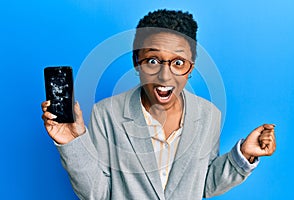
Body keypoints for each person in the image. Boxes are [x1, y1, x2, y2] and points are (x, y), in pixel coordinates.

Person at [41, 9, 276, 200]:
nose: (165, 76)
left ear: (190, 67)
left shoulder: (208, 115)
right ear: (137, 63)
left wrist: (244, 154)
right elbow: (98, 194)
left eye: (178, 62)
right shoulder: (107, 113)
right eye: (152, 60)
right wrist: (72, 142)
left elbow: (204, 185)